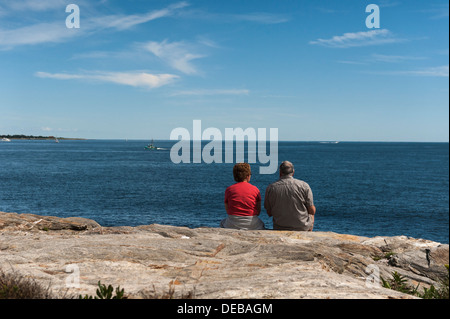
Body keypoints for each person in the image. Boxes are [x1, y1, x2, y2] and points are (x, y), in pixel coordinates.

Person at [264, 161, 316, 231]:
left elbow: (269, 213)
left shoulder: (271, 188)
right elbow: (312, 211)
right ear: (293, 172)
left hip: (280, 227)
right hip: (302, 227)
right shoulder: (304, 185)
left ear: (280, 172)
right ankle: (308, 236)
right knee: (311, 215)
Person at [221, 163, 265, 230]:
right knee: (262, 224)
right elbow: (258, 211)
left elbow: (228, 210)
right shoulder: (255, 189)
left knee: (222, 223)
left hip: (233, 222)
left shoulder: (229, 190)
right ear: (247, 176)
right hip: (251, 222)